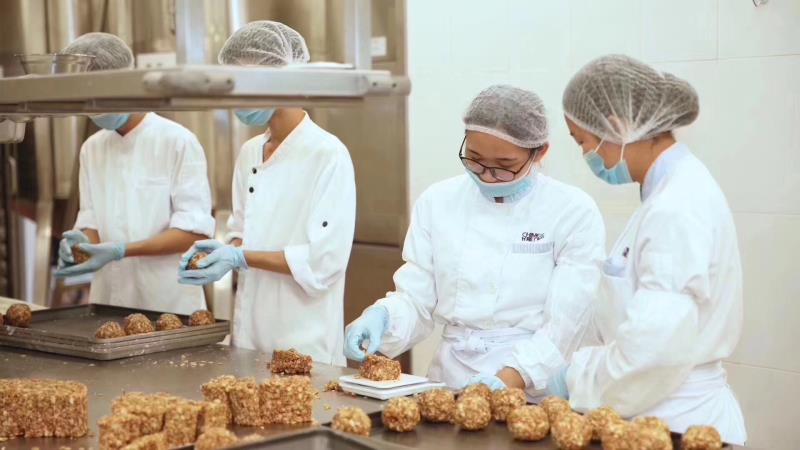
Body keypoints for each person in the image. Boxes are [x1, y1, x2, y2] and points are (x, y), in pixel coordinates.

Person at [344, 85, 605, 399]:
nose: (487, 176)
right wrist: (383, 317)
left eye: (504, 166)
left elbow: (566, 323)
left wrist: (510, 378)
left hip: (531, 384)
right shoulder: (438, 201)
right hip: (450, 376)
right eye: (475, 160)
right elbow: (417, 300)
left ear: (540, 153)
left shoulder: (572, 210)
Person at [555, 54, 746, 444]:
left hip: (677, 422)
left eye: (583, 142)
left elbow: (653, 351)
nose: (587, 156)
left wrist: (577, 377)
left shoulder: (676, 206)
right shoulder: (669, 192)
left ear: (616, 127)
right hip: (660, 410)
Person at [178, 21, 356, 366]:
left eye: (243, 84)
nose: (235, 97)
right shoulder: (249, 152)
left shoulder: (328, 154)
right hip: (248, 337)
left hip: (305, 342)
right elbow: (242, 232)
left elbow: (324, 262)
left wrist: (240, 257)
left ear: (280, 79)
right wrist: (223, 251)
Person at [55, 32, 214, 315]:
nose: (91, 107)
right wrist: (81, 244)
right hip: (107, 303)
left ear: (122, 83)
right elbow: (91, 221)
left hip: (168, 305)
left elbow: (192, 232)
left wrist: (121, 250)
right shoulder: (92, 148)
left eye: (97, 95)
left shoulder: (177, 141)